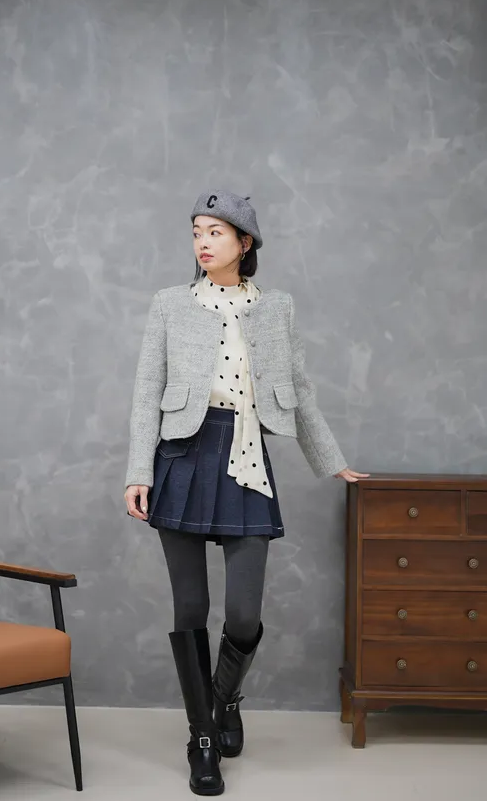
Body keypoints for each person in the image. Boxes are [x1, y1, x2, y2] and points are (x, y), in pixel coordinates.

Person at [124, 191, 369, 796]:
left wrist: (332, 460)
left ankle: (225, 697)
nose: (203, 242)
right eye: (196, 232)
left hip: (246, 456)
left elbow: (299, 389)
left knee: (243, 613)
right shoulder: (169, 304)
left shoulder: (277, 307)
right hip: (182, 456)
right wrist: (138, 472)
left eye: (215, 232)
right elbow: (146, 390)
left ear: (245, 242)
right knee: (189, 608)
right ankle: (202, 739)